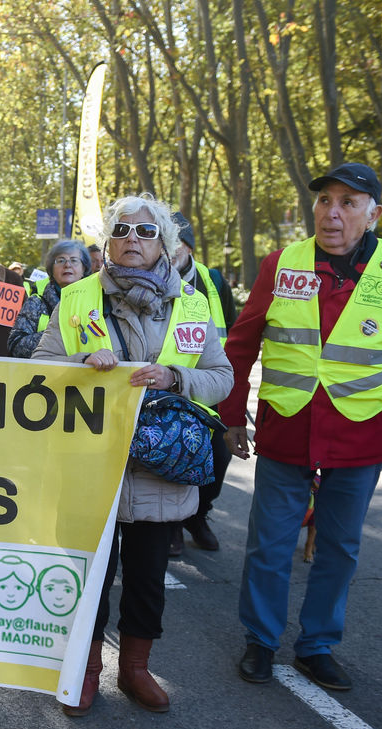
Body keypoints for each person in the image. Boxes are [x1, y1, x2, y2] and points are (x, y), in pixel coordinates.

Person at [225, 163, 382, 691]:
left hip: (360, 432)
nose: (332, 213)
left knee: (339, 547)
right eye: (324, 201)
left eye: (348, 202)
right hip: (287, 426)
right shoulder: (282, 264)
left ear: (373, 214)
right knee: (269, 546)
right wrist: (231, 419)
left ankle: (317, 646)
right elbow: (241, 347)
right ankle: (261, 642)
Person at [32, 193, 232, 716]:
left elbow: (222, 378)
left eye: (146, 233)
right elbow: (39, 372)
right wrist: (80, 362)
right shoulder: (74, 298)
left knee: (146, 582)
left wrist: (175, 376)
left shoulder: (191, 304)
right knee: (89, 578)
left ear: (164, 243)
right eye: (122, 230)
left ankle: (136, 670)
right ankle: (87, 669)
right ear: (108, 243)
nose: (132, 240)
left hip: (160, 470)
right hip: (88, 464)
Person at [167, 212, 238, 556]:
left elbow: (233, 335)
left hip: (208, 387)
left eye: (178, 243)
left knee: (219, 457)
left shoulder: (214, 281)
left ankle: (198, 515)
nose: (172, 250)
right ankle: (174, 525)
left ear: (190, 247)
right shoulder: (149, 278)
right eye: (166, 243)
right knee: (175, 452)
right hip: (166, 389)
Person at [7, 239, 89, 358]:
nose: (67, 265)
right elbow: (15, 346)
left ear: (84, 269)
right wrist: (56, 335)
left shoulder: (98, 300)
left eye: (74, 260)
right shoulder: (36, 302)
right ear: (51, 269)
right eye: (61, 260)